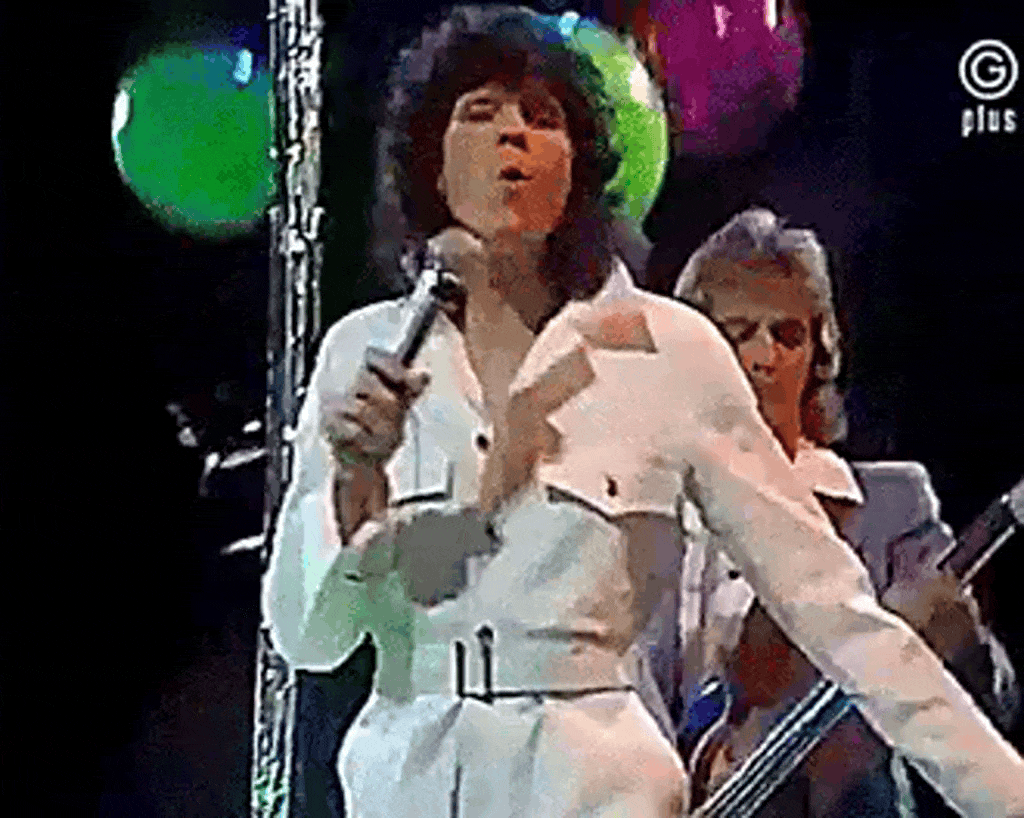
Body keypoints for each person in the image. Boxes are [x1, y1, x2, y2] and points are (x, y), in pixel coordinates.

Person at [263, 7, 1024, 817]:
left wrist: (1004, 794)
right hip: (407, 786)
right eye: (479, 113)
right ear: (431, 166)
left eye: (542, 118)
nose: (512, 134)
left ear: (580, 169)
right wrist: (353, 487)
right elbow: (308, 641)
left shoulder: (668, 352)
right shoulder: (366, 351)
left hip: (596, 787)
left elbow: (836, 611)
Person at [668, 207, 1020, 816]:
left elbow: (998, 706)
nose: (763, 356)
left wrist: (962, 646)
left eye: (788, 334)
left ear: (818, 355)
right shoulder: (651, 511)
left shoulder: (890, 503)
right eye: (738, 333)